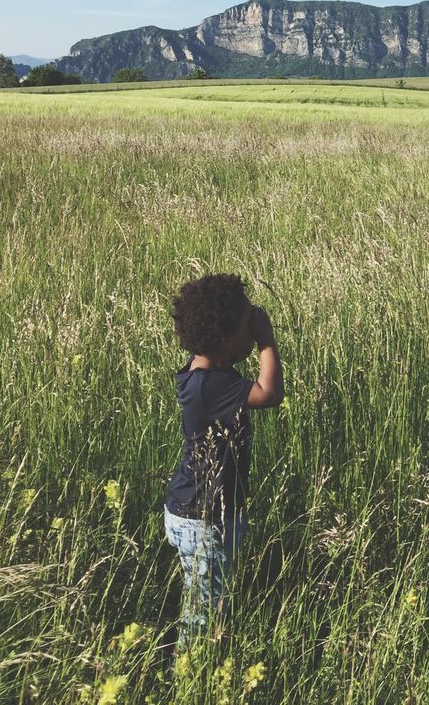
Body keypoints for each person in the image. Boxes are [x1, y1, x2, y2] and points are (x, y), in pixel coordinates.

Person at [165, 273, 284, 645]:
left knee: (208, 598)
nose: (255, 325)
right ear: (226, 338)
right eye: (249, 320)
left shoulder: (205, 372)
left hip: (196, 510)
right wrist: (266, 340)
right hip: (205, 519)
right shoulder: (211, 384)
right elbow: (269, 393)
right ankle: (190, 671)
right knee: (204, 616)